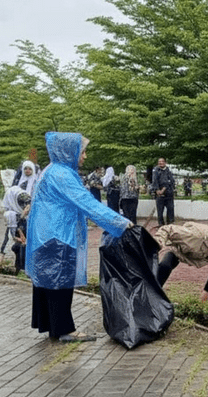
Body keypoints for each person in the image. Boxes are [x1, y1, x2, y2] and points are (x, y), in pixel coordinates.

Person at [26, 132, 131, 343]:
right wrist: (121, 223)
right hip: (59, 236)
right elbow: (88, 203)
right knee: (60, 283)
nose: (84, 156)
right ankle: (65, 330)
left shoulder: (51, 170)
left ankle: (53, 327)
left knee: (48, 283)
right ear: (68, 152)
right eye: (81, 152)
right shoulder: (62, 174)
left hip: (46, 235)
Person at [151, 157, 176, 226]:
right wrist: (157, 190)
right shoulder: (155, 171)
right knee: (160, 210)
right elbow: (154, 181)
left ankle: (170, 223)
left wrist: (164, 189)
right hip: (159, 195)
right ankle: (161, 224)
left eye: (162, 161)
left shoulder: (168, 171)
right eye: (159, 161)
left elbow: (171, 181)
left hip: (169, 194)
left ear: (165, 163)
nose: (161, 163)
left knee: (170, 208)